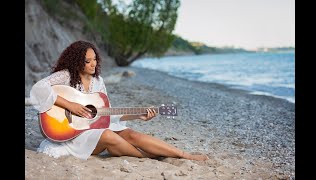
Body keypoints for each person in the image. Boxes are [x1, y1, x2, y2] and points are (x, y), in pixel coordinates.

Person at [30, 40, 209, 161]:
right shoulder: (65, 76)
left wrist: (138, 116)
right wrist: (70, 105)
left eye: (95, 60)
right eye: (87, 61)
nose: (93, 64)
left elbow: (107, 113)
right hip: (72, 134)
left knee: (131, 134)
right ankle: (148, 157)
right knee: (108, 135)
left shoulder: (98, 81)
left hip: (94, 127)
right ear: (77, 62)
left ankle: (185, 155)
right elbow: (38, 89)